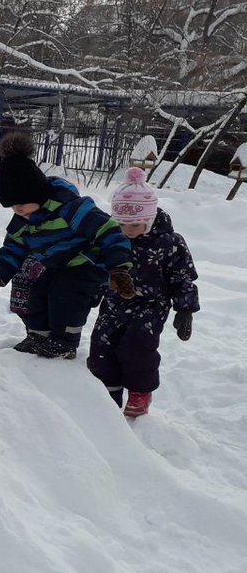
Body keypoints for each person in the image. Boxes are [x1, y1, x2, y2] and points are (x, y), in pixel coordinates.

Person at [0, 131, 134, 359]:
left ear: (37, 192)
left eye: (23, 203)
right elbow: (12, 249)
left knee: (64, 292)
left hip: (87, 264)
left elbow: (109, 230)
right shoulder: (23, 220)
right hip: (56, 265)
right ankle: (39, 336)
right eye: (13, 206)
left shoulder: (71, 208)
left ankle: (64, 343)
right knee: (35, 290)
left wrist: (119, 269)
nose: (19, 210)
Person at [86, 167, 198, 417]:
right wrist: (91, 294)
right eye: (121, 224)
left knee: (137, 345)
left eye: (135, 224)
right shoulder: (111, 239)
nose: (128, 230)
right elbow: (100, 268)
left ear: (149, 218)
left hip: (151, 304)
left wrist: (185, 309)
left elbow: (183, 276)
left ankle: (139, 392)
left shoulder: (169, 242)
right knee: (101, 344)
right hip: (114, 302)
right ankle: (107, 392)